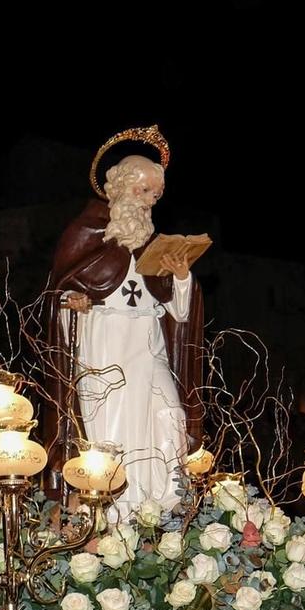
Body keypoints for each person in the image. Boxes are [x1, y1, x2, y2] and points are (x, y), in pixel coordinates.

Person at [50, 146, 206, 517]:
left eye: (155, 196)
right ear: (118, 189)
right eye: (143, 192)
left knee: (168, 414)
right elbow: (57, 294)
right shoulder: (85, 232)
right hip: (105, 343)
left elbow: (178, 312)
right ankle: (117, 512)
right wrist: (72, 301)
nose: (149, 202)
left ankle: (164, 505)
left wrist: (181, 277)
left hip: (149, 344)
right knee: (113, 423)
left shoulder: (155, 244)